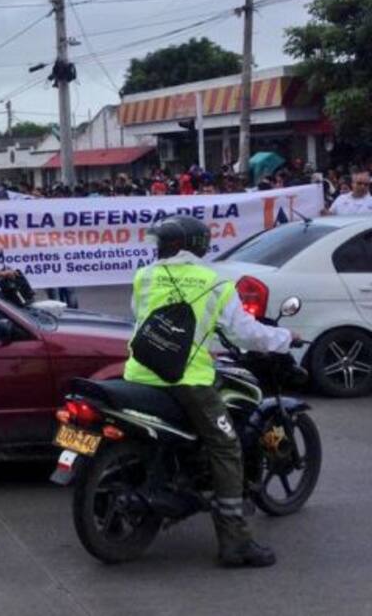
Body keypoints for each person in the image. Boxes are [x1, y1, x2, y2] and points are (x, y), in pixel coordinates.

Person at [125, 215, 297, 568]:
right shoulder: (215, 281)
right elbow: (245, 334)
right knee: (226, 445)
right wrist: (284, 339)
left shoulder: (144, 276)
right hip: (187, 382)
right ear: (198, 246)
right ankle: (235, 542)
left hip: (138, 375)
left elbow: (140, 317)